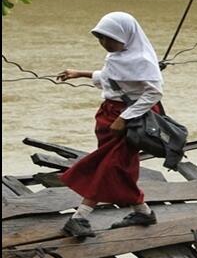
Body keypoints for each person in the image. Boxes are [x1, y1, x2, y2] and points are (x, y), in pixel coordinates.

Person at [56, 12, 163, 238]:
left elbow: (154, 93)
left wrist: (124, 118)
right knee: (120, 166)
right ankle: (142, 211)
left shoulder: (141, 60)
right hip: (109, 115)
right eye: (101, 39)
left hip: (129, 120)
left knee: (109, 165)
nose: (105, 44)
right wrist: (81, 73)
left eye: (109, 39)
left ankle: (80, 217)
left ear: (125, 37)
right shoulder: (118, 57)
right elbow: (111, 78)